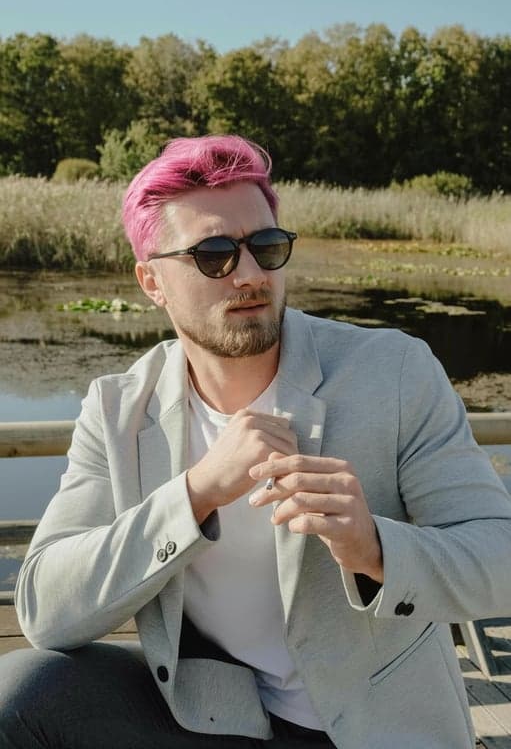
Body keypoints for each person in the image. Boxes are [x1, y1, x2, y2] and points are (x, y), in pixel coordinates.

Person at [2, 134, 511, 749]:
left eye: (265, 247)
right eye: (213, 254)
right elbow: (44, 608)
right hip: (213, 716)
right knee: (25, 690)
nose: (248, 274)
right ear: (151, 282)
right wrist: (196, 492)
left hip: (376, 724)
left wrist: (374, 547)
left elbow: (498, 559)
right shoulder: (118, 410)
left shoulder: (395, 372)